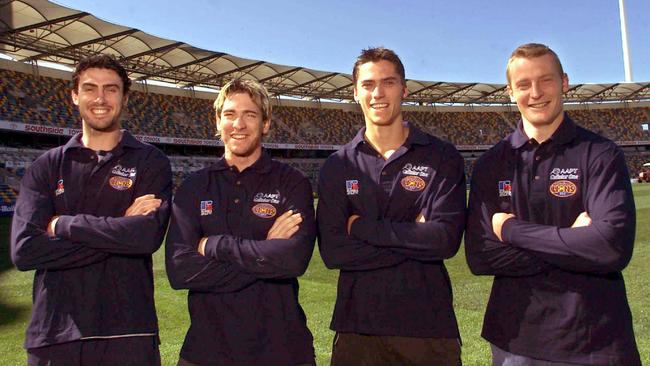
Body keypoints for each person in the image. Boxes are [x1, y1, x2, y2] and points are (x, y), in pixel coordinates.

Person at [465, 43, 641, 365]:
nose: (535, 92)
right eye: (523, 84)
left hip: (596, 339)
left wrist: (512, 229)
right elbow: (480, 256)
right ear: (510, 91)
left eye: (545, 80)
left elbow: (610, 247)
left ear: (564, 82)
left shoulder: (600, 154)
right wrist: (571, 240)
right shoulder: (490, 165)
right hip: (515, 342)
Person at [11, 54, 172, 365]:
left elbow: (145, 238)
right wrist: (119, 228)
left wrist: (63, 225)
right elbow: (26, 250)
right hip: (54, 336)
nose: (100, 98)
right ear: (75, 96)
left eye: (111, 89)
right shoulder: (46, 165)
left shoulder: (150, 161)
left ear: (125, 98)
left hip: (129, 335)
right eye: (90, 88)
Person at [317, 47, 466, 366]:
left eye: (388, 82)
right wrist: (416, 236)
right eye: (368, 84)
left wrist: (359, 227)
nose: (378, 93)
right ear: (355, 93)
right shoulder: (337, 165)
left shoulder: (441, 156)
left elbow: (444, 240)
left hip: (429, 329)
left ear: (404, 89)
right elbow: (333, 252)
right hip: (356, 330)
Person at [165, 79, 316, 366]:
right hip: (205, 351)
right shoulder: (193, 188)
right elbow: (180, 270)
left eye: (250, 114)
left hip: (283, 350)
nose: (239, 124)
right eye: (230, 114)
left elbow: (293, 261)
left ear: (266, 123)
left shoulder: (292, 183)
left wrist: (215, 245)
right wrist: (266, 251)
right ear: (218, 122)